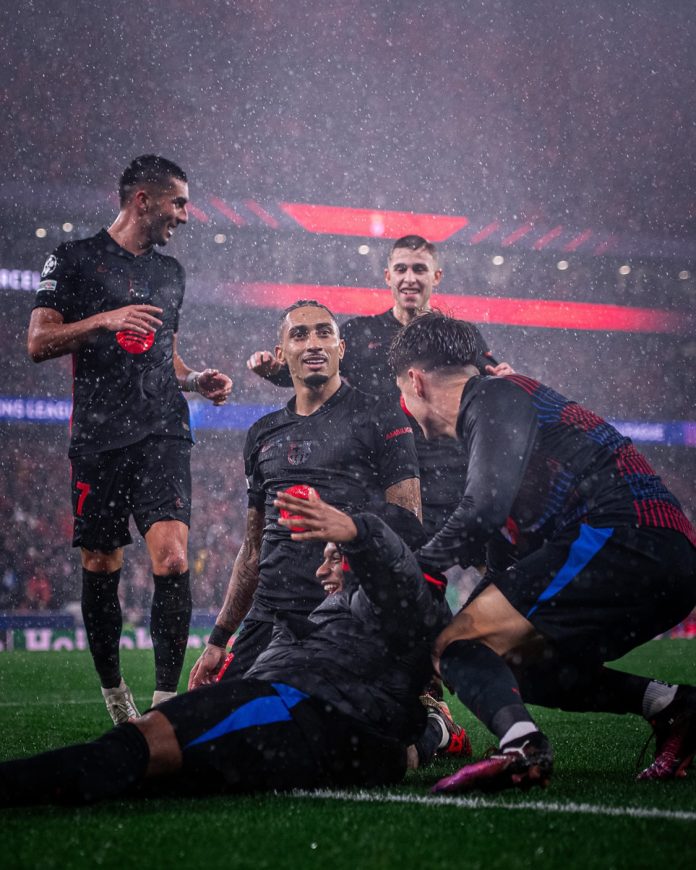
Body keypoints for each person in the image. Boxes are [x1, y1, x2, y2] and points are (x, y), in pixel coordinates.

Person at [389, 312, 696, 792]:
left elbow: (483, 509)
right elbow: (498, 543)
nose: (405, 408)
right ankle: (672, 705)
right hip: (656, 557)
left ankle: (523, 748)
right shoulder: (494, 418)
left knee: (456, 644)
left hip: (628, 537)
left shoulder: (491, 394)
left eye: (401, 397)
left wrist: (404, 569)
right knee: (516, 663)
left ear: (416, 381)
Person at [0, 496, 453, 806]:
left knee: (132, 749)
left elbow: (402, 578)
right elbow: (394, 754)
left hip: (293, 708)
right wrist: (431, 730)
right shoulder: (377, 629)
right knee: (153, 772)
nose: (321, 569)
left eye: (334, 555)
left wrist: (359, 531)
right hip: (319, 729)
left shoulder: (399, 603)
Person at [27, 155, 233, 725]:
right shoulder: (72, 259)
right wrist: (103, 319)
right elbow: (38, 342)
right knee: (100, 561)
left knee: (171, 560)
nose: (186, 216)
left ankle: (165, 707)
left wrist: (194, 380)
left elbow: (166, 356)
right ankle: (118, 703)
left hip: (162, 429)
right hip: (98, 436)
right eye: (179, 203)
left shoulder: (172, 274)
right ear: (143, 200)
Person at [188, 300, 420, 688]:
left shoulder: (381, 416)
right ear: (282, 354)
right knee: (212, 730)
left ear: (340, 349)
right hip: (271, 615)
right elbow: (253, 549)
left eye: (324, 333)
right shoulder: (263, 434)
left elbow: (410, 528)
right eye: (299, 334)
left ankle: (432, 725)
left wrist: (403, 628)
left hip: (346, 610)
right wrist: (218, 639)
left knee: (336, 737)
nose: (313, 343)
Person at [247, 234, 510, 538]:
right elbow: (317, 370)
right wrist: (275, 371)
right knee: (391, 573)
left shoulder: (457, 336)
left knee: (482, 569)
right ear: (388, 276)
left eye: (419, 269)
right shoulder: (360, 333)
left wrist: (505, 380)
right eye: (401, 269)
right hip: (382, 478)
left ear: (436, 277)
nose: (409, 278)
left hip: (448, 475)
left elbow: (492, 383)